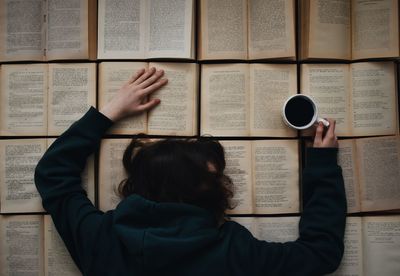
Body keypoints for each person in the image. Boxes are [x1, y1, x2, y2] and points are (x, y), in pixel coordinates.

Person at [35, 67, 346, 276]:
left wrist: (108, 112)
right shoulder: (232, 253)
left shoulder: (101, 242)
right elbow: (321, 253)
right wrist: (322, 165)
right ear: (210, 196)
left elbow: (53, 173)